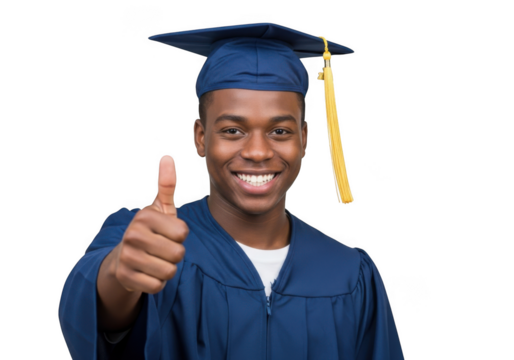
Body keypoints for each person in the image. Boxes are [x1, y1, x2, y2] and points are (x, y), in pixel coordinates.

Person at [58, 22, 404, 359]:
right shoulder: (148, 239)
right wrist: (120, 273)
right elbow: (91, 310)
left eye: (280, 131)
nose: (257, 151)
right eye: (233, 131)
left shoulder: (349, 273)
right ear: (201, 138)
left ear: (305, 139)